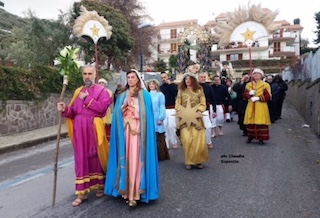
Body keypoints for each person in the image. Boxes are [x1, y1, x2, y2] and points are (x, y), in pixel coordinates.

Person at [57, 65, 112, 207]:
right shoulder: (78, 91)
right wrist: (65, 109)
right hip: (79, 129)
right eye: (85, 74)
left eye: (90, 73)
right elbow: (73, 112)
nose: (87, 76)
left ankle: (100, 185)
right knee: (81, 158)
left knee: (95, 156)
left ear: (95, 75)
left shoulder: (102, 91)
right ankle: (82, 192)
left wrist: (87, 99)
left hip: (93, 127)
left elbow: (102, 109)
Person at [104, 69, 159, 207]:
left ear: (138, 79)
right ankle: (126, 191)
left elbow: (147, 115)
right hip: (125, 134)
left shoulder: (144, 95)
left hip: (138, 134)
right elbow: (117, 113)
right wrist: (124, 105)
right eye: (128, 77)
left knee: (136, 161)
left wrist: (133, 107)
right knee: (126, 159)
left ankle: (136, 192)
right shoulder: (122, 95)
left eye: (133, 77)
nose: (130, 79)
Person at [175, 73, 209, 169]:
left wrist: (199, 111)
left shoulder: (199, 90)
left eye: (189, 79)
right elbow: (177, 103)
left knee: (198, 140)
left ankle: (198, 161)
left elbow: (203, 103)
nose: (187, 81)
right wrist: (180, 112)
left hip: (197, 118)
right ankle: (189, 161)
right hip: (185, 119)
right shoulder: (181, 90)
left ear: (193, 80)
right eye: (186, 79)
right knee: (187, 140)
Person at [243, 68, 271, 145]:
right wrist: (249, 94)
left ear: (261, 75)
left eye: (258, 74)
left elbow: (268, 96)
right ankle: (250, 137)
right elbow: (244, 95)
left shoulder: (265, 85)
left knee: (261, 122)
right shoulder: (249, 85)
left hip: (261, 106)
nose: (256, 75)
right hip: (251, 104)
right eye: (254, 74)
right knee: (251, 122)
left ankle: (261, 138)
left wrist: (259, 98)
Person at [146, 79, 170, 161]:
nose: (151, 86)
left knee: (159, 137)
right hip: (149, 117)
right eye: (150, 84)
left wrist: (161, 118)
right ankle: (151, 155)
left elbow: (162, 106)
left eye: (153, 84)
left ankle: (161, 155)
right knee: (150, 136)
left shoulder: (160, 95)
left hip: (157, 116)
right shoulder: (147, 95)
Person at [160, 72, 179, 149]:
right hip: (163, 109)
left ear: (167, 77)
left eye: (164, 77)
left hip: (171, 108)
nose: (163, 79)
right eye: (162, 78)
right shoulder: (160, 87)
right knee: (164, 126)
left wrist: (170, 84)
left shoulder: (173, 86)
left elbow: (176, 94)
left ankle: (174, 141)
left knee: (172, 126)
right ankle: (166, 143)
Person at [198, 72, 216, 149]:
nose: (203, 78)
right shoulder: (194, 87)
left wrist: (214, 110)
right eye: (201, 77)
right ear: (198, 78)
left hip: (205, 110)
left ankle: (208, 142)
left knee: (208, 127)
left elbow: (213, 99)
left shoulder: (209, 87)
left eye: (204, 77)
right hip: (195, 111)